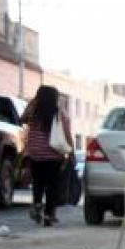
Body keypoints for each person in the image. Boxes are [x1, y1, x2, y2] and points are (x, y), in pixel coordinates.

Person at [21, 85, 74, 226]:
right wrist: (71, 150)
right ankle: (49, 215)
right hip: (53, 155)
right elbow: (67, 132)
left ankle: (37, 204)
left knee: (37, 183)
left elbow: (22, 119)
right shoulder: (59, 112)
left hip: (35, 154)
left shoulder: (33, 112)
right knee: (52, 185)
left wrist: (32, 102)